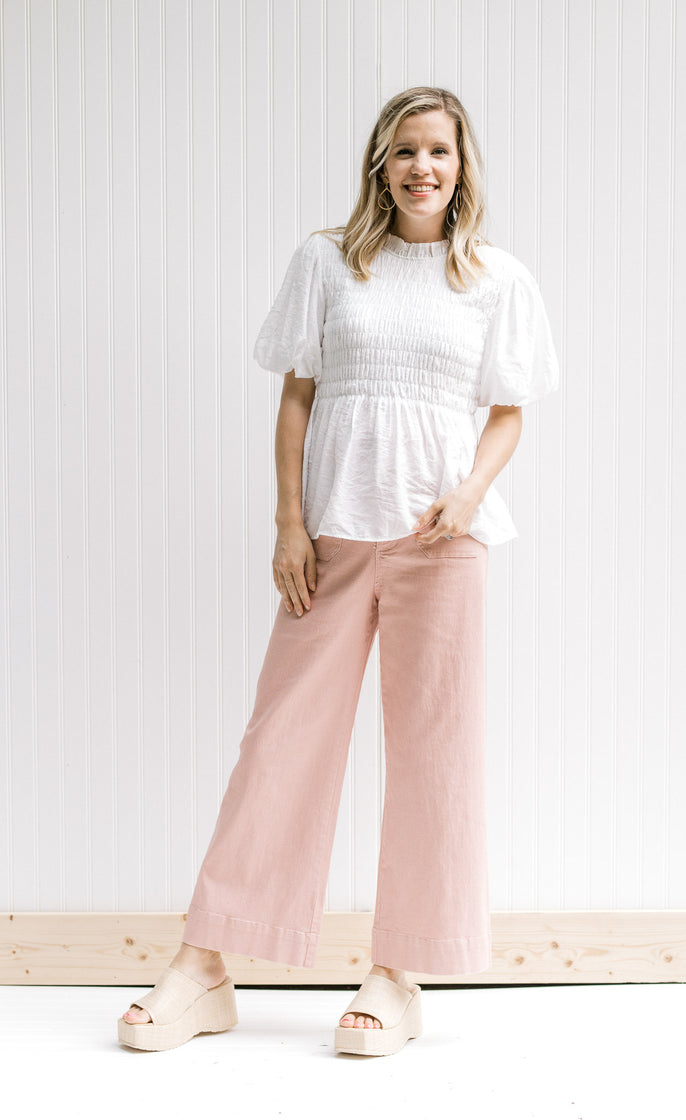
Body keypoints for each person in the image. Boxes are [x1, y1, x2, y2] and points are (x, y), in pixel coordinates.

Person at [117, 85, 559, 1056]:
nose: (421, 168)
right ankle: (206, 963)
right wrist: (289, 523)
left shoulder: (491, 278)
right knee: (279, 741)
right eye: (403, 150)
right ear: (379, 163)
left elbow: (509, 409)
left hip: (442, 544)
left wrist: (467, 493)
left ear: (461, 164)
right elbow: (295, 397)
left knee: (431, 754)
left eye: (437, 150)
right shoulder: (328, 260)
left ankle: (396, 973)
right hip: (332, 537)